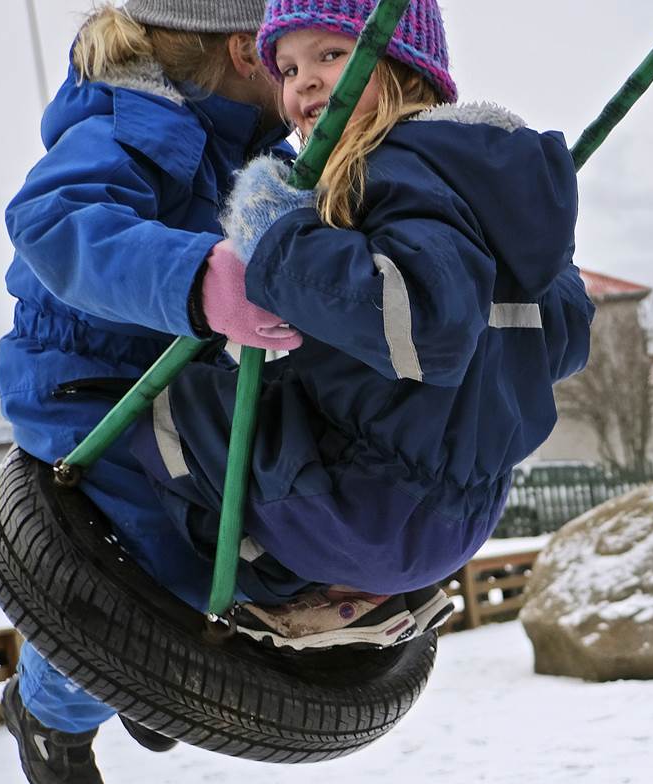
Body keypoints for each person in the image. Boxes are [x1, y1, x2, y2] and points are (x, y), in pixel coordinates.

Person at [135, 1, 591, 635]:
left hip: (363, 509)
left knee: (159, 408)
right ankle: (360, 589)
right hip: (467, 517)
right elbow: (565, 344)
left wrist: (276, 237)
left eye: (331, 55)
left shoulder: (394, 169)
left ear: (408, 67)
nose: (305, 82)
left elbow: (419, 324)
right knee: (276, 388)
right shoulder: (493, 195)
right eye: (288, 69)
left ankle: (219, 608)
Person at [0, 0, 299, 784]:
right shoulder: (135, 123)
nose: (308, 78)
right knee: (142, 591)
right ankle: (48, 708)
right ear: (245, 52)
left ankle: (146, 677)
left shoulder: (252, 140)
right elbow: (54, 221)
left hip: (187, 377)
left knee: (232, 550)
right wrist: (196, 277)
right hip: (89, 387)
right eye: (293, 56)